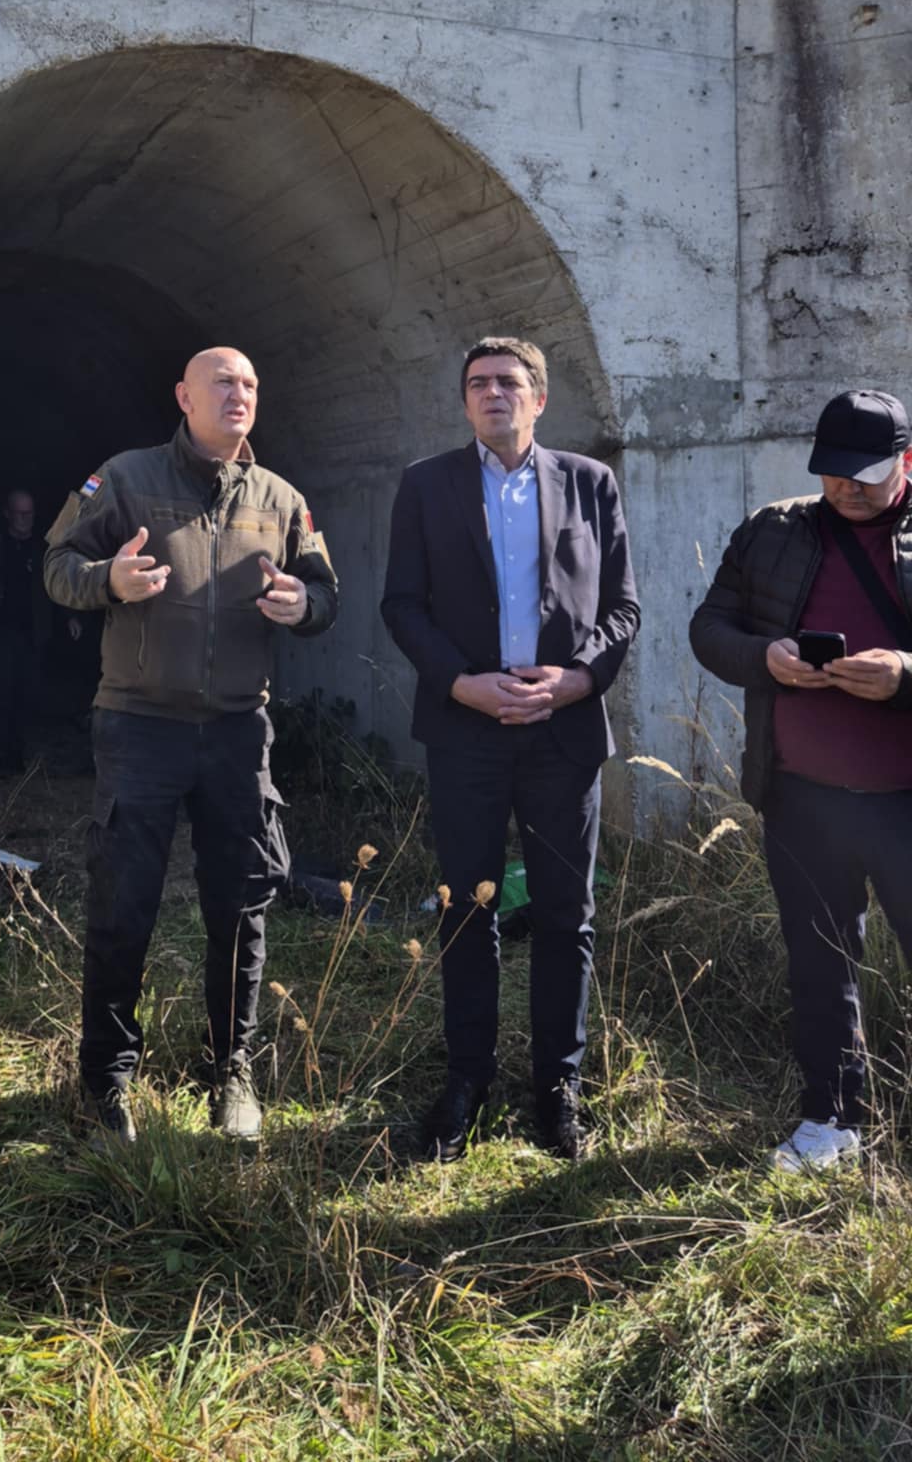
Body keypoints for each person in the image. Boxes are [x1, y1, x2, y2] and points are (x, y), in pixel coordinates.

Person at [44, 347, 338, 1142]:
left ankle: (231, 1070)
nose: (240, 394)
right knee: (123, 904)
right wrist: (108, 580)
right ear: (184, 396)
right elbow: (57, 565)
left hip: (239, 731)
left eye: (250, 384)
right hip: (139, 724)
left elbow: (325, 591)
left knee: (241, 908)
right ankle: (106, 1081)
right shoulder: (127, 478)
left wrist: (303, 604)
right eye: (223, 382)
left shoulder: (280, 497)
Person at [381, 336, 640, 1161]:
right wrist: (461, 683)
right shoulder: (426, 485)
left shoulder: (589, 483)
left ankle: (558, 1086)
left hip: (563, 733)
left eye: (508, 382)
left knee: (566, 914)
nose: (492, 393)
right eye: (477, 383)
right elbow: (402, 604)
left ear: (539, 398)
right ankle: (468, 1078)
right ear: (464, 401)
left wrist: (577, 680)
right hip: (468, 731)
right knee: (467, 908)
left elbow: (623, 608)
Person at [690, 388, 912, 1172]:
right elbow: (709, 628)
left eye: (867, 473)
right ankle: (830, 1118)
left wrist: (904, 675)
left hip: (904, 800)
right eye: (833, 470)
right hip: (802, 797)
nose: (848, 486)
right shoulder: (773, 531)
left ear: (907, 461)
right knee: (819, 964)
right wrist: (767, 657)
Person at [0, 488, 80, 770]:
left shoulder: (42, 549)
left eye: (29, 513)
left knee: (26, 693)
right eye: (19, 513)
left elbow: (56, 585)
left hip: (32, 633)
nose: (25, 519)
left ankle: (16, 753)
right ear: (7, 514)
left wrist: (70, 616)